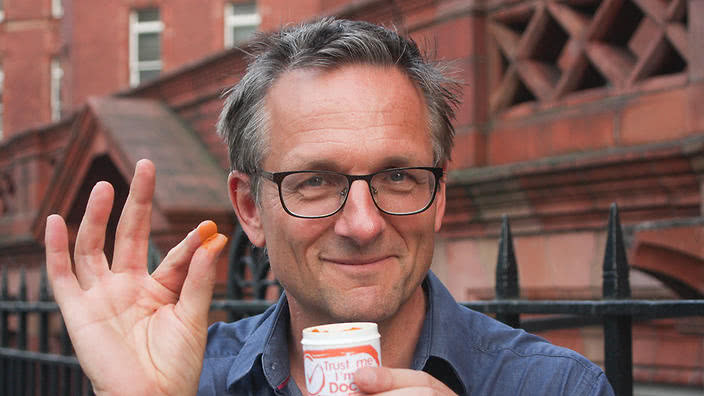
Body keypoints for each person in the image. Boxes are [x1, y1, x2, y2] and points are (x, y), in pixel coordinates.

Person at [45, 18, 614, 396]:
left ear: (439, 195)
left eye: (397, 176)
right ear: (249, 208)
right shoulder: (190, 379)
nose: (363, 224)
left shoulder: (554, 386)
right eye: (315, 181)